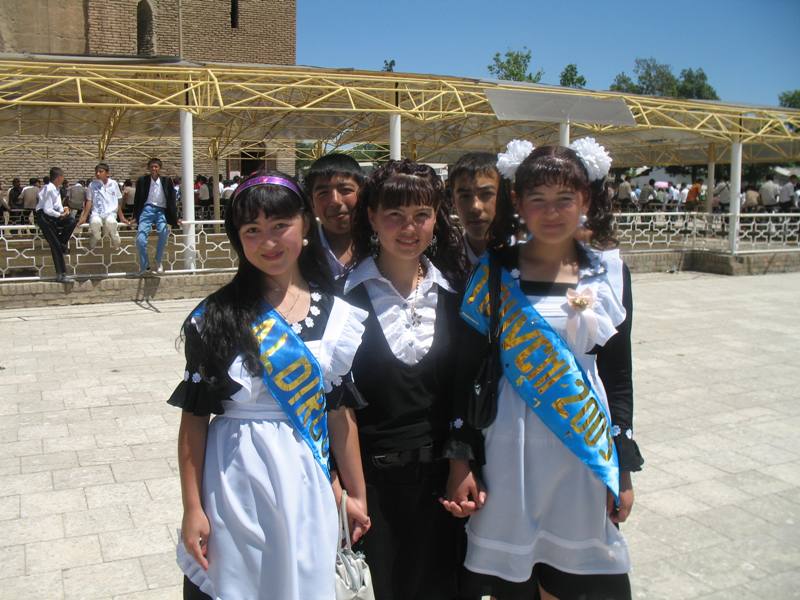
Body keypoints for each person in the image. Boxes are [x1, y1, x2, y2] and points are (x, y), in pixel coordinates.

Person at [445, 139, 644, 600]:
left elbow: (618, 375)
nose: (551, 212)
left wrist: (623, 467)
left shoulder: (610, 274)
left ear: (586, 201)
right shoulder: (492, 272)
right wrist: (461, 458)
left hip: (581, 451)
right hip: (509, 451)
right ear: (517, 202)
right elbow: (467, 372)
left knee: (580, 580)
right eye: (538, 199)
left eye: (564, 200)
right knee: (517, 581)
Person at [169, 170, 371, 599]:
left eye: (281, 225)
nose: (269, 241)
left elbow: (339, 415)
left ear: (305, 223)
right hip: (234, 481)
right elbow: (194, 421)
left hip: (306, 482)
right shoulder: (215, 317)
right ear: (238, 238)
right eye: (253, 230)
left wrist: (356, 495)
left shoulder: (338, 316)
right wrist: (192, 508)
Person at [343, 160, 473, 600]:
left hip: (442, 485)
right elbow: (334, 404)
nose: (408, 228)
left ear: (437, 219)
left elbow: (463, 390)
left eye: (421, 215)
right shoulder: (343, 300)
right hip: (372, 491)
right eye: (394, 215)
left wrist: (461, 465)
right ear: (372, 218)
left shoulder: (456, 294)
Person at [304, 153, 365, 279]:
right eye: (323, 193)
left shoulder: (382, 247)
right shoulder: (301, 254)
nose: (335, 201)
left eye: (345, 190)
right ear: (312, 204)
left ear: (363, 194)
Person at [449, 151, 509, 266]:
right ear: (453, 201)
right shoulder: (443, 265)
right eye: (465, 196)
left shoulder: (526, 260)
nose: (475, 207)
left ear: (505, 197)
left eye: (486, 194)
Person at [133, 158, 179, 275]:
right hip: (146, 210)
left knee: (164, 232)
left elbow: (172, 199)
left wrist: (176, 217)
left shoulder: (166, 181)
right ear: (149, 168)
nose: (154, 169)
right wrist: (135, 216)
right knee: (140, 239)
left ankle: (158, 260)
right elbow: (137, 199)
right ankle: (145, 266)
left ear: (159, 168)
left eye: (156, 167)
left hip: (160, 211)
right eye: (152, 167)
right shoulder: (142, 181)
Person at [35, 167, 77, 283]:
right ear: (59, 178)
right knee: (55, 246)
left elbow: (56, 206)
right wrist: (59, 215)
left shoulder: (56, 189)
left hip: (52, 216)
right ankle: (61, 274)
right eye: (62, 176)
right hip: (44, 218)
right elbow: (47, 209)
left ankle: (62, 244)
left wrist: (64, 209)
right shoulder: (49, 189)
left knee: (72, 221)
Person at [79, 163, 129, 249]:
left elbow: (117, 201)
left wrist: (122, 217)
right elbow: (89, 201)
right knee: (95, 222)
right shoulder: (92, 185)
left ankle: (114, 235)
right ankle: (96, 236)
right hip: (97, 213)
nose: (98, 174)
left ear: (107, 173)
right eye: (96, 172)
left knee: (111, 222)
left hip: (110, 213)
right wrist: (84, 217)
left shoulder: (114, 184)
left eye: (100, 171)